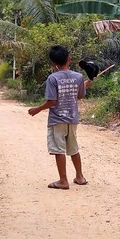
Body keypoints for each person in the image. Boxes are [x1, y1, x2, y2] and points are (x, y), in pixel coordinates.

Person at [28, 45, 92, 190]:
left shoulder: (52, 78)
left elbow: (52, 101)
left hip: (57, 120)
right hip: (73, 118)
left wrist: (37, 109)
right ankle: (80, 177)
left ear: (53, 63)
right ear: (69, 58)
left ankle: (63, 180)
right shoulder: (78, 77)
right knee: (73, 148)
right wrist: (84, 86)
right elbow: (79, 96)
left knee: (58, 150)